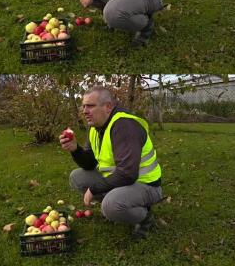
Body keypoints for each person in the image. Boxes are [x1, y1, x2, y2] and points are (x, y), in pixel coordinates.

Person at [59, 86, 163, 240]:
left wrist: (94, 189)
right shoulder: (96, 127)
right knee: (77, 177)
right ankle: (119, 204)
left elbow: (128, 174)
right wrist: (75, 149)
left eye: (90, 106)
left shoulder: (125, 126)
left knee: (110, 205)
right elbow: (89, 164)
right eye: (84, 106)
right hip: (123, 180)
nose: (84, 111)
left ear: (108, 107)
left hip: (146, 185)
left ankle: (144, 216)